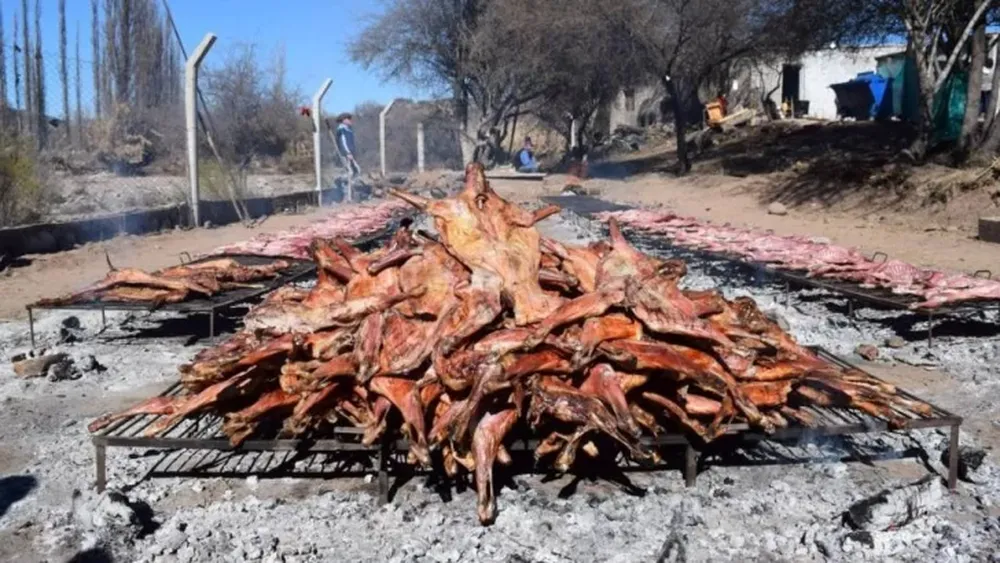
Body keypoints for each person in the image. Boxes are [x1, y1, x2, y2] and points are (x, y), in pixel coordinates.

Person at [335, 112, 361, 178]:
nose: (350, 120)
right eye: (349, 118)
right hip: (346, 154)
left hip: (350, 154)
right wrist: (347, 153)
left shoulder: (348, 130)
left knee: (356, 171)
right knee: (350, 172)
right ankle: (344, 183)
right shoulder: (342, 130)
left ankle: (351, 183)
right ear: (344, 120)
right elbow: (343, 143)